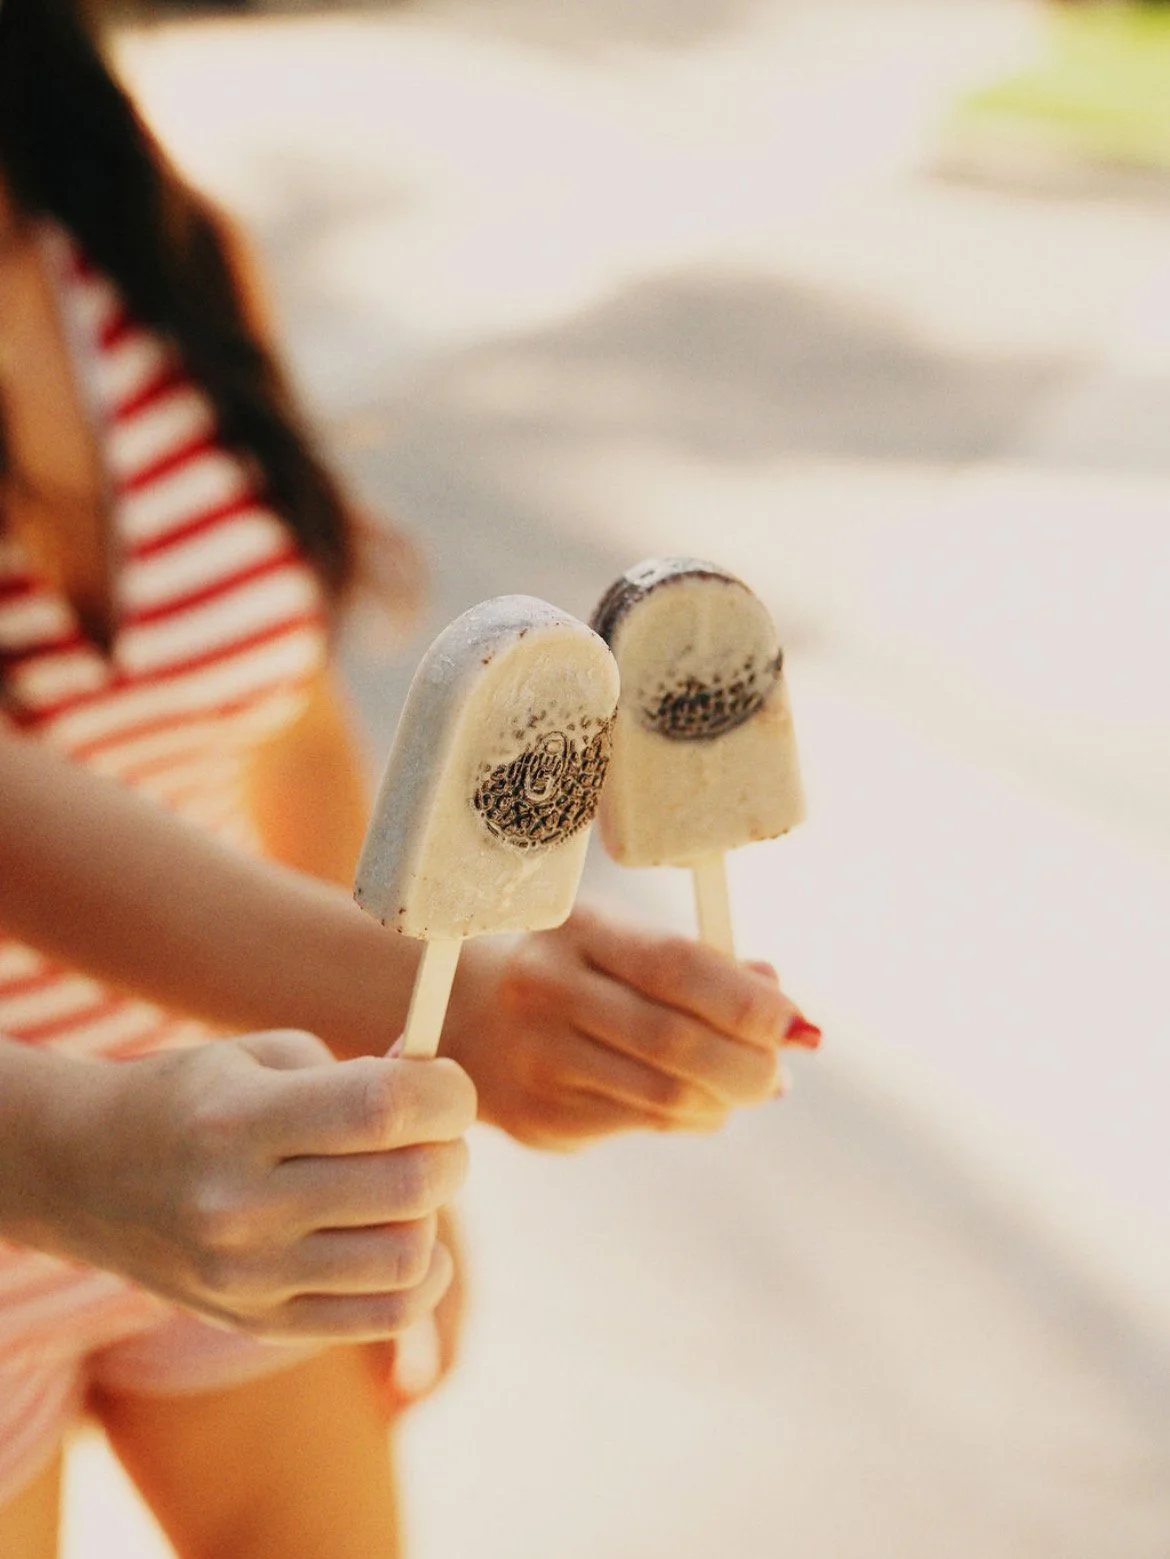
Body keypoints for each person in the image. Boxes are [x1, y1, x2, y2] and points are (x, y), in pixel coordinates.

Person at [0, 1, 820, 1555]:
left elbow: (287, 728)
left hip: (239, 1129)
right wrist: (82, 1150)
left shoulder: (143, 249)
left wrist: (421, 1061)